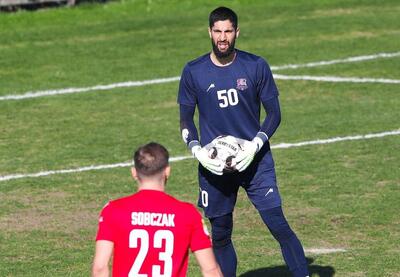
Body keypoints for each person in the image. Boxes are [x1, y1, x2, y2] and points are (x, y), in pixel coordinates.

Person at [177, 6, 309, 277]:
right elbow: (186, 120)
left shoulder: (255, 66)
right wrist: (197, 151)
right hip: (215, 168)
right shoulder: (193, 71)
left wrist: (255, 145)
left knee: (278, 224)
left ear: (237, 32)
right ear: (209, 32)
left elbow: (274, 114)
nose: (222, 37)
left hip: (255, 161)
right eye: (217, 31)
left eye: (228, 31)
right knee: (221, 234)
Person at [92, 142, 223, 277]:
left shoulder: (113, 210)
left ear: (134, 173)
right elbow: (210, 269)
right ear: (167, 171)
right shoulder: (188, 214)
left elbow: (100, 268)